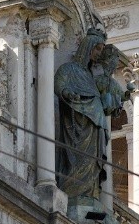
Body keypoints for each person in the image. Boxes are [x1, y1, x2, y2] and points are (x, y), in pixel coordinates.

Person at [54, 27, 127, 203]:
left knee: (93, 161)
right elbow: (59, 84)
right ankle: (74, 195)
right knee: (78, 158)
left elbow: (108, 94)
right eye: (97, 49)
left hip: (96, 126)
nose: (98, 54)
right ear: (88, 47)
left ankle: (91, 196)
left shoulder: (92, 76)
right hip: (77, 124)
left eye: (101, 50)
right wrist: (68, 94)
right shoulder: (69, 69)